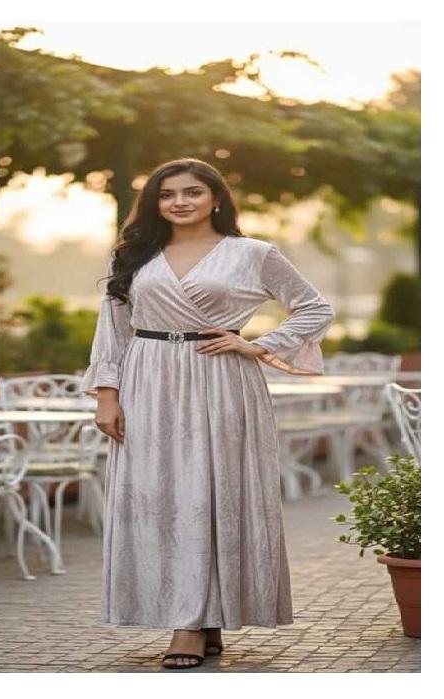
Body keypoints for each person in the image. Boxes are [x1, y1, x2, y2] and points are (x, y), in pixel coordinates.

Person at [80, 158, 335, 670]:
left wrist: (260, 345)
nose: (179, 201)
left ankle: (190, 625)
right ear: (155, 202)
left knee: (214, 495)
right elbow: (113, 329)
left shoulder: (252, 253)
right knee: (160, 498)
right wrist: (107, 395)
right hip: (148, 381)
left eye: (192, 192)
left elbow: (315, 307)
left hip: (221, 380)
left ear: (216, 198)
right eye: (167, 194)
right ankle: (199, 613)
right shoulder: (133, 255)